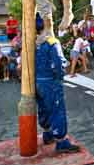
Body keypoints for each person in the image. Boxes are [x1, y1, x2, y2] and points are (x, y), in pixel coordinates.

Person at [35, 13, 81, 153]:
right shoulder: (51, 42)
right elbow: (59, 64)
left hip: (37, 81)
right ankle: (61, 141)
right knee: (57, 109)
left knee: (43, 108)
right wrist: (61, 76)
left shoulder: (33, 43)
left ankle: (48, 133)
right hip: (50, 82)